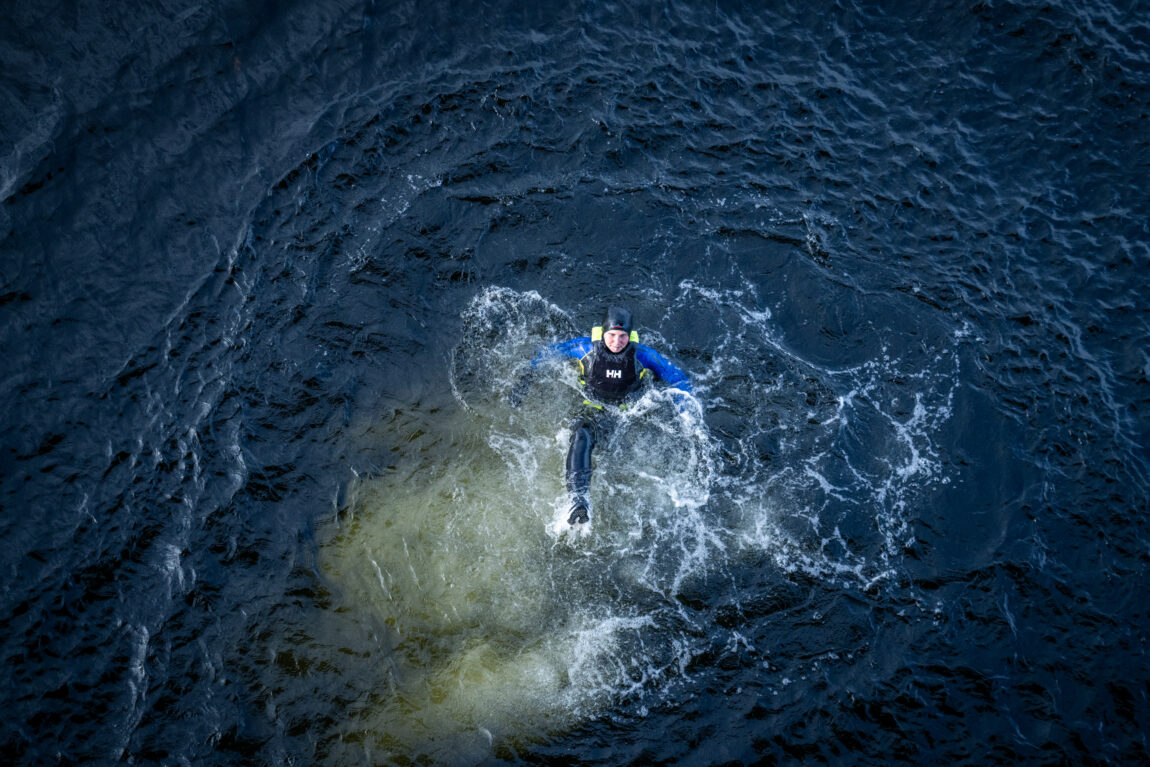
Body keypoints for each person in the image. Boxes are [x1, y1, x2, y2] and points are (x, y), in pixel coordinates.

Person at [509, 305, 695, 525]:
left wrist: (688, 414)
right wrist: (523, 383)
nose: (617, 342)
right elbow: (544, 355)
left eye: (623, 336)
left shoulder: (643, 356)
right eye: (612, 335)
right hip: (592, 407)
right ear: (603, 332)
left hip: (628, 414)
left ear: (630, 335)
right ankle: (578, 501)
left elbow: (679, 380)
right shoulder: (584, 349)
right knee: (580, 436)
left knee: (620, 465)